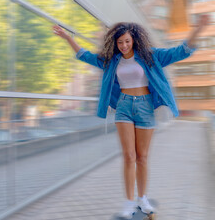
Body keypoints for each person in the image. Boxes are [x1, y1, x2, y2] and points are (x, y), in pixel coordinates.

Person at [53, 15, 208, 219]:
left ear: (133, 39)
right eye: (120, 42)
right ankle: (128, 202)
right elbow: (85, 55)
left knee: (142, 158)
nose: (124, 45)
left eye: (127, 41)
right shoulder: (111, 60)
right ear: (115, 43)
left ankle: (142, 199)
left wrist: (199, 29)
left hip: (145, 107)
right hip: (124, 106)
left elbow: (181, 51)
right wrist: (67, 38)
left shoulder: (150, 56)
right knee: (129, 157)